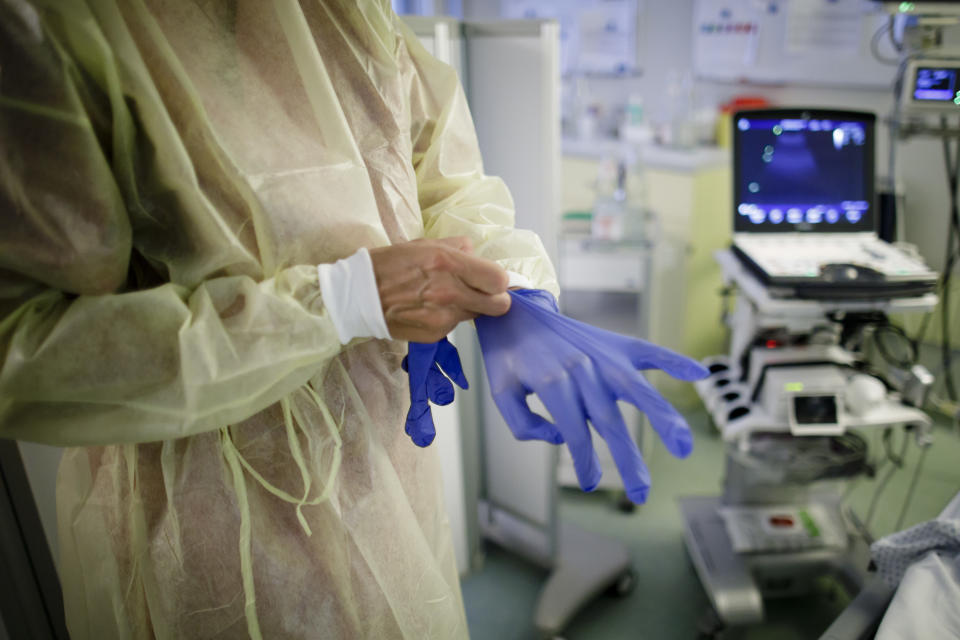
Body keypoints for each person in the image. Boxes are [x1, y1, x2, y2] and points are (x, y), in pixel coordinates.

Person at [0, 1, 704, 638]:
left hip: (380, 449)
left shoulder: (348, 11)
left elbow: (443, 178)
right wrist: (338, 302)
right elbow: (24, 350)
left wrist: (510, 294)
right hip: (205, 502)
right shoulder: (50, 24)